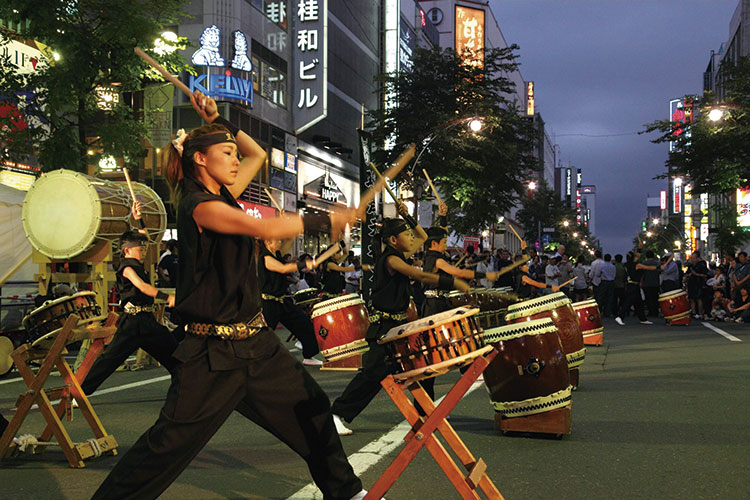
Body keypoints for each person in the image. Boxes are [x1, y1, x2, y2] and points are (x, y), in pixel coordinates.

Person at [91, 90, 368, 500]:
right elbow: (267, 229)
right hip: (211, 354)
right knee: (165, 448)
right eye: (226, 152)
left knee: (313, 414)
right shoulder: (198, 206)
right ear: (200, 159)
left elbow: (255, 152)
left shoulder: (224, 194)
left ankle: (346, 493)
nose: (237, 158)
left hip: (257, 345)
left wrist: (221, 120)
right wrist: (328, 218)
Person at [330, 216, 470, 436]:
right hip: (384, 327)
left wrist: (408, 217)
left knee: (419, 364)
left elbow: (422, 236)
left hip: (398, 326)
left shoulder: (399, 255)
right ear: (394, 239)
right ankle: (336, 414)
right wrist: (453, 282)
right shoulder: (391, 260)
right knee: (372, 375)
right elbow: (419, 274)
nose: (411, 238)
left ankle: (424, 409)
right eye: (406, 235)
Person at [81, 225, 179, 397]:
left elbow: (146, 238)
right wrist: (167, 297)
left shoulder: (138, 264)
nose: (143, 250)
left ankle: (183, 389)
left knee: (175, 355)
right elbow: (143, 286)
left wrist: (139, 219)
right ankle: (80, 392)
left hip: (147, 322)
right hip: (131, 324)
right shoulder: (126, 268)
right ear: (128, 249)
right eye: (140, 248)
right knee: (109, 360)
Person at [258, 239, 322, 366]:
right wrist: (304, 264)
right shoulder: (265, 257)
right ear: (268, 241)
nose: (280, 242)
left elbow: (289, 243)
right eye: (277, 240)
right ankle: (257, 362)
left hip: (282, 301)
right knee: (265, 336)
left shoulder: (276, 255)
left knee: (304, 324)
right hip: (269, 303)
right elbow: (283, 269)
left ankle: (308, 356)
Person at [421, 226, 502, 317]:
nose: (446, 246)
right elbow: (460, 273)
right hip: (435, 305)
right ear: (434, 243)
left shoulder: (429, 258)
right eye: (444, 242)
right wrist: (485, 275)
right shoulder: (437, 260)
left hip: (437, 301)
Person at [615, 250, 655, 326]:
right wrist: (659, 267)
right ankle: (620, 316)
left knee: (639, 303)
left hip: (632, 285)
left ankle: (643, 318)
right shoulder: (636, 265)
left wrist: (640, 249)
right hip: (633, 286)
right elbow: (648, 267)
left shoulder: (628, 264)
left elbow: (637, 255)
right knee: (628, 302)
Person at [686, 251, 710, 319]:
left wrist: (696, 274)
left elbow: (705, 275)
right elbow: (687, 273)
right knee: (691, 298)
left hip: (699, 283)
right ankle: (693, 312)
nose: (692, 260)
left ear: (697, 258)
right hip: (691, 283)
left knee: (699, 298)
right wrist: (688, 275)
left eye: (693, 258)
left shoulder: (701, 264)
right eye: (691, 258)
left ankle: (700, 313)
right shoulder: (691, 265)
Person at [640, 250, 661, 317]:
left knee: (648, 298)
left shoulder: (644, 263)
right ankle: (656, 311)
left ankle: (651, 311)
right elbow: (660, 271)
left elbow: (642, 274)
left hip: (646, 283)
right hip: (655, 283)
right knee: (655, 298)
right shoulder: (657, 263)